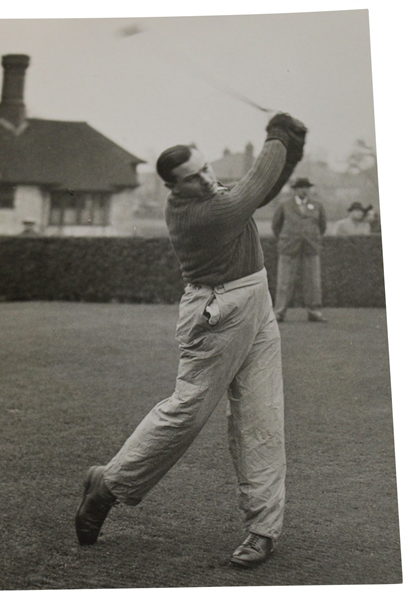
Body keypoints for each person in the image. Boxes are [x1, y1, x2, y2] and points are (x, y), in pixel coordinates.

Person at [75, 112, 307, 568]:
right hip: (217, 313)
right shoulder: (205, 212)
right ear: (173, 188)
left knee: (263, 413)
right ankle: (108, 485)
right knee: (186, 413)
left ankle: (263, 529)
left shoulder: (216, 195)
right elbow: (257, 184)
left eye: (205, 169)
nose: (205, 179)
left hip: (255, 300)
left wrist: (291, 148)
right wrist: (279, 135)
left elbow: (264, 189)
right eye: (193, 177)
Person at [271, 178, 327, 323]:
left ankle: (314, 312)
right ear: (294, 190)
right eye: (301, 187)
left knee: (313, 282)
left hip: (311, 248)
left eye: (307, 187)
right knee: (284, 282)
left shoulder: (317, 205)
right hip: (288, 248)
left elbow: (322, 226)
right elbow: (276, 226)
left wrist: (312, 238)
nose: (304, 190)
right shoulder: (284, 205)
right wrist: (287, 239)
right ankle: (279, 312)